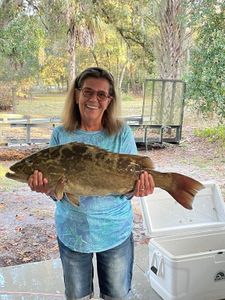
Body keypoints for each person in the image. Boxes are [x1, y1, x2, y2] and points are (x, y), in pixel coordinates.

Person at [28, 67, 155, 300]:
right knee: (78, 296)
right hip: (72, 231)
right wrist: (45, 188)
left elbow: (132, 184)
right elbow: (57, 191)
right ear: (77, 95)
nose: (93, 99)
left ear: (109, 100)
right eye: (87, 91)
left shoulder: (121, 133)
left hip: (115, 231)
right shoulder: (60, 134)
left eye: (101, 94)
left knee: (117, 294)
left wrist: (139, 188)